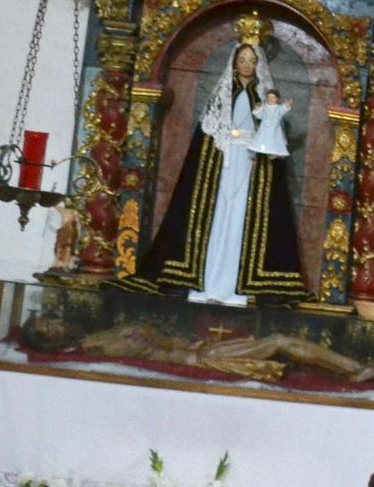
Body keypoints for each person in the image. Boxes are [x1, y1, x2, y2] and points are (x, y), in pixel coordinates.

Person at [115, 38, 306, 303]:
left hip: (251, 163)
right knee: (217, 215)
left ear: (259, 65)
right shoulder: (222, 96)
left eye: (252, 61)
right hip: (224, 162)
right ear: (234, 63)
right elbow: (208, 134)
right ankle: (204, 284)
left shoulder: (264, 99)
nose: (247, 66)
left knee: (243, 216)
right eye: (242, 60)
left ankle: (239, 288)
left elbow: (271, 133)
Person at [250, 90, 291, 158]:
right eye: (269, 97)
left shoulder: (278, 108)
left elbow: (283, 109)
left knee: (273, 140)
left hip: (274, 129)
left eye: (273, 97)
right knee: (263, 141)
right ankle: (263, 151)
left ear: (277, 99)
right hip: (264, 129)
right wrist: (258, 109)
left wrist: (287, 105)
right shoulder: (264, 107)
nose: (271, 99)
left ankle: (273, 152)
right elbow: (260, 115)